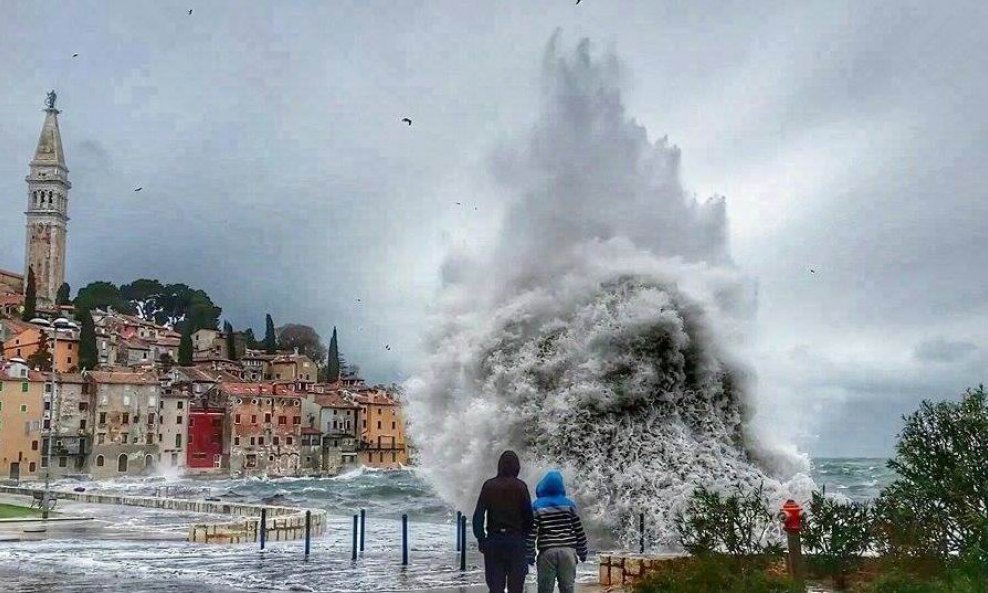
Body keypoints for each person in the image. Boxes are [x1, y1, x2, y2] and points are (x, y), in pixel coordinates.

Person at [473, 450, 534, 593]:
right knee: (516, 588)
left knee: (495, 588)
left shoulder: (489, 486)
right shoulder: (521, 487)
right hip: (516, 542)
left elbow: (478, 517)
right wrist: (523, 539)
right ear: (517, 467)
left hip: (494, 542)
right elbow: (529, 519)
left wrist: (482, 539)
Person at [526, 470, 588, 593]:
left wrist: (530, 554)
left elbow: (531, 533)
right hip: (568, 552)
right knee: (567, 587)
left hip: (547, 552)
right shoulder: (570, 505)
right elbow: (579, 531)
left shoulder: (537, 506)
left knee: (545, 588)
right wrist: (582, 552)